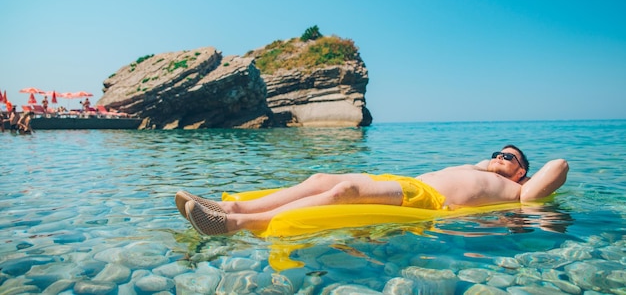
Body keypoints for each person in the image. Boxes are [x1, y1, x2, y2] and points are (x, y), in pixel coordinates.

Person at [176, 145, 569, 236]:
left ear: (522, 172)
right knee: (319, 181)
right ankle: (227, 206)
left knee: (344, 190)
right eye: (498, 152)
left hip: (427, 202)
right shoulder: (476, 167)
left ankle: (234, 225)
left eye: (510, 156)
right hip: (407, 183)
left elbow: (559, 167)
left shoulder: (519, 191)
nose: (501, 157)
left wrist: (520, 177)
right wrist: (484, 163)